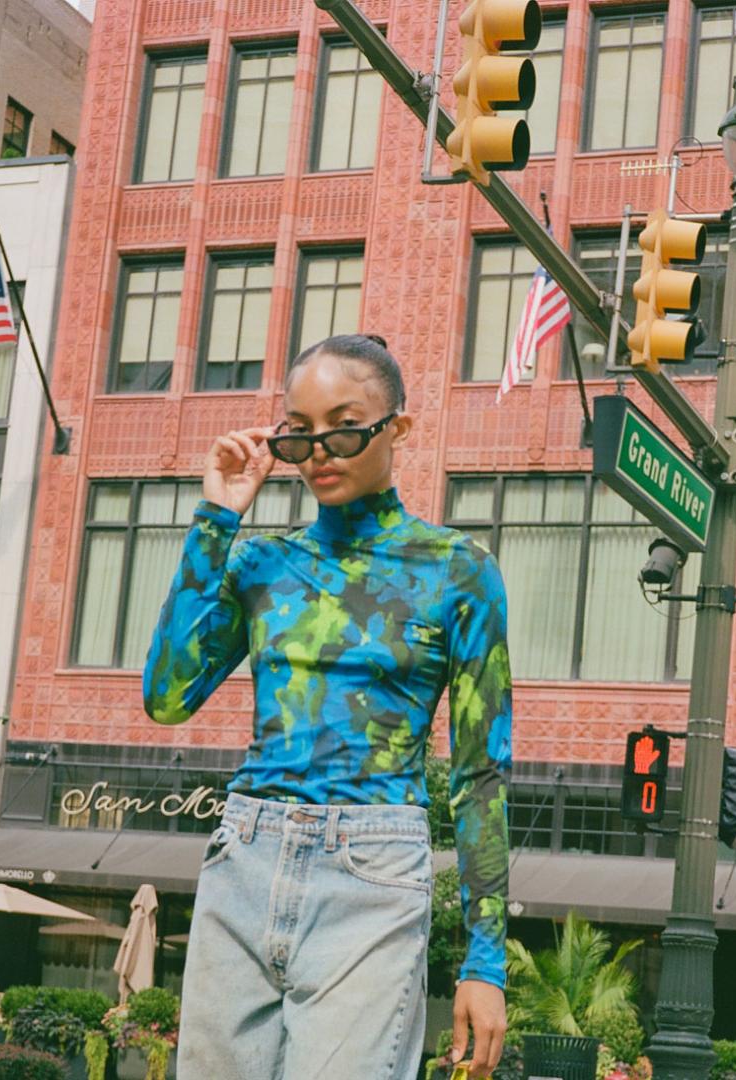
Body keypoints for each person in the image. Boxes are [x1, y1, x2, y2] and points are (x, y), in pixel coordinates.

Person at [143, 334, 512, 1079]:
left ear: (397, 429)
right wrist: (217, 520)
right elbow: (167, 696)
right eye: (298, 433)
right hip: (245, 855)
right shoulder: (262, 564)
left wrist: (487, 959)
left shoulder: (458, 572)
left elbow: (480, 772)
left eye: (344, 426)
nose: (319, 451)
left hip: (372, 874)